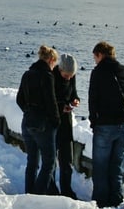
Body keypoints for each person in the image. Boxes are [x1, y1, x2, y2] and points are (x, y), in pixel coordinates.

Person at [88, 40, 124, 208]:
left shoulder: (98, 73)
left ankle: (100, 203)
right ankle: (115, 200)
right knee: (117, 166)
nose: (95, 60)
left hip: (104, 125)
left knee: (100, 167)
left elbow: (92, 100)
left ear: (100, 54)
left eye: (95, 57)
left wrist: (94, 121)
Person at [17, 45, 60, 195]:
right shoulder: (47, 75)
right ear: (51, 60)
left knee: (32, 161)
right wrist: (55, 120)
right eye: (55, 63)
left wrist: (29, 111)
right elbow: (51, 101)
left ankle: (29, 192)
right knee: (49, 163)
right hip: (43, 124)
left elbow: (19, 99)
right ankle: (38, 194)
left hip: (27, 121)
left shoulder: (27, 74)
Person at [52, 53, 80, 199]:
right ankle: (51, 189)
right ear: (60, 70)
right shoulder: (52, 76)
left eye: (71, 75)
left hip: (66, 123)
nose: (68, 78)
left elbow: (73, 93)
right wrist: (61, 106)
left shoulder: (71, 77)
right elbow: (49, 99)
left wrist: (75, 100)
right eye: (66, 75)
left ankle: (67, 190)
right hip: (53, 122)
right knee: (51, 160)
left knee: (67, 160)